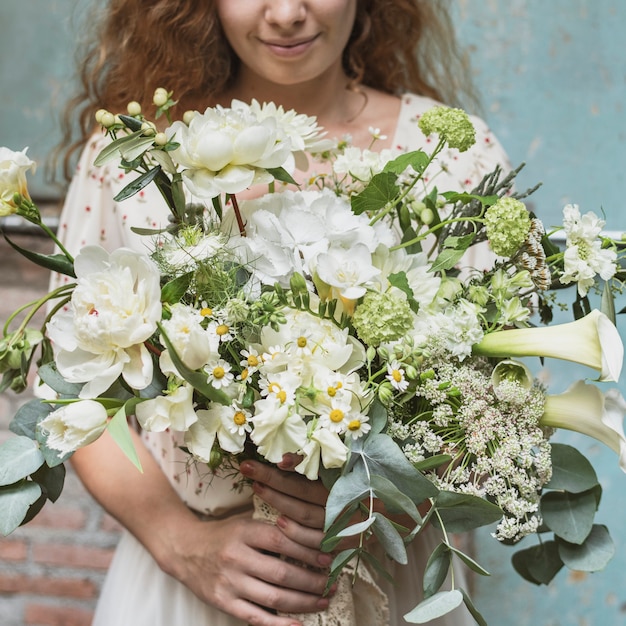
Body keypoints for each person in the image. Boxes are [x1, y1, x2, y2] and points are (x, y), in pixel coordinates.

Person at [54, 1, 511, 624]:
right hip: (195, 592)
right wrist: (177, 543)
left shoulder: (453, 155)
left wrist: (391, 497)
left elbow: (504, 396)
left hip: (392, 585)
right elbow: (69, 391)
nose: (287, 13)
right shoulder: (135, 158)